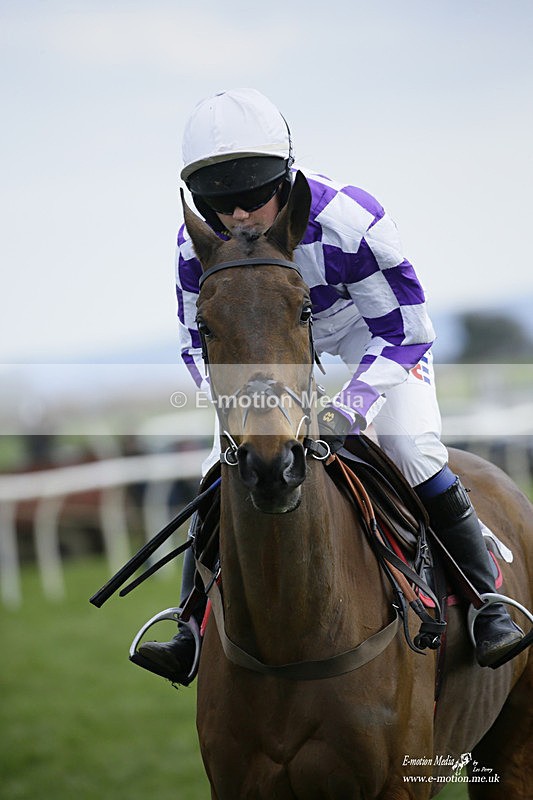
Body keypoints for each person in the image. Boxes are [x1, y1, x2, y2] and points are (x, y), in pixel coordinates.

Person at [138, 88, 523, 682]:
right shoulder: (196, 245)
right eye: (221, 202)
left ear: (285, 178)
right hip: (273, 360)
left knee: (413, 450)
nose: (238, 217)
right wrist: (247, 408)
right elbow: (199, 345)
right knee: (219, 464)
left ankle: (487, 602)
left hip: (371, 340)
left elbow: (408, 332)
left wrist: (349, 408)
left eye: (252, 197)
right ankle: (188, 625)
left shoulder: (352, 218)